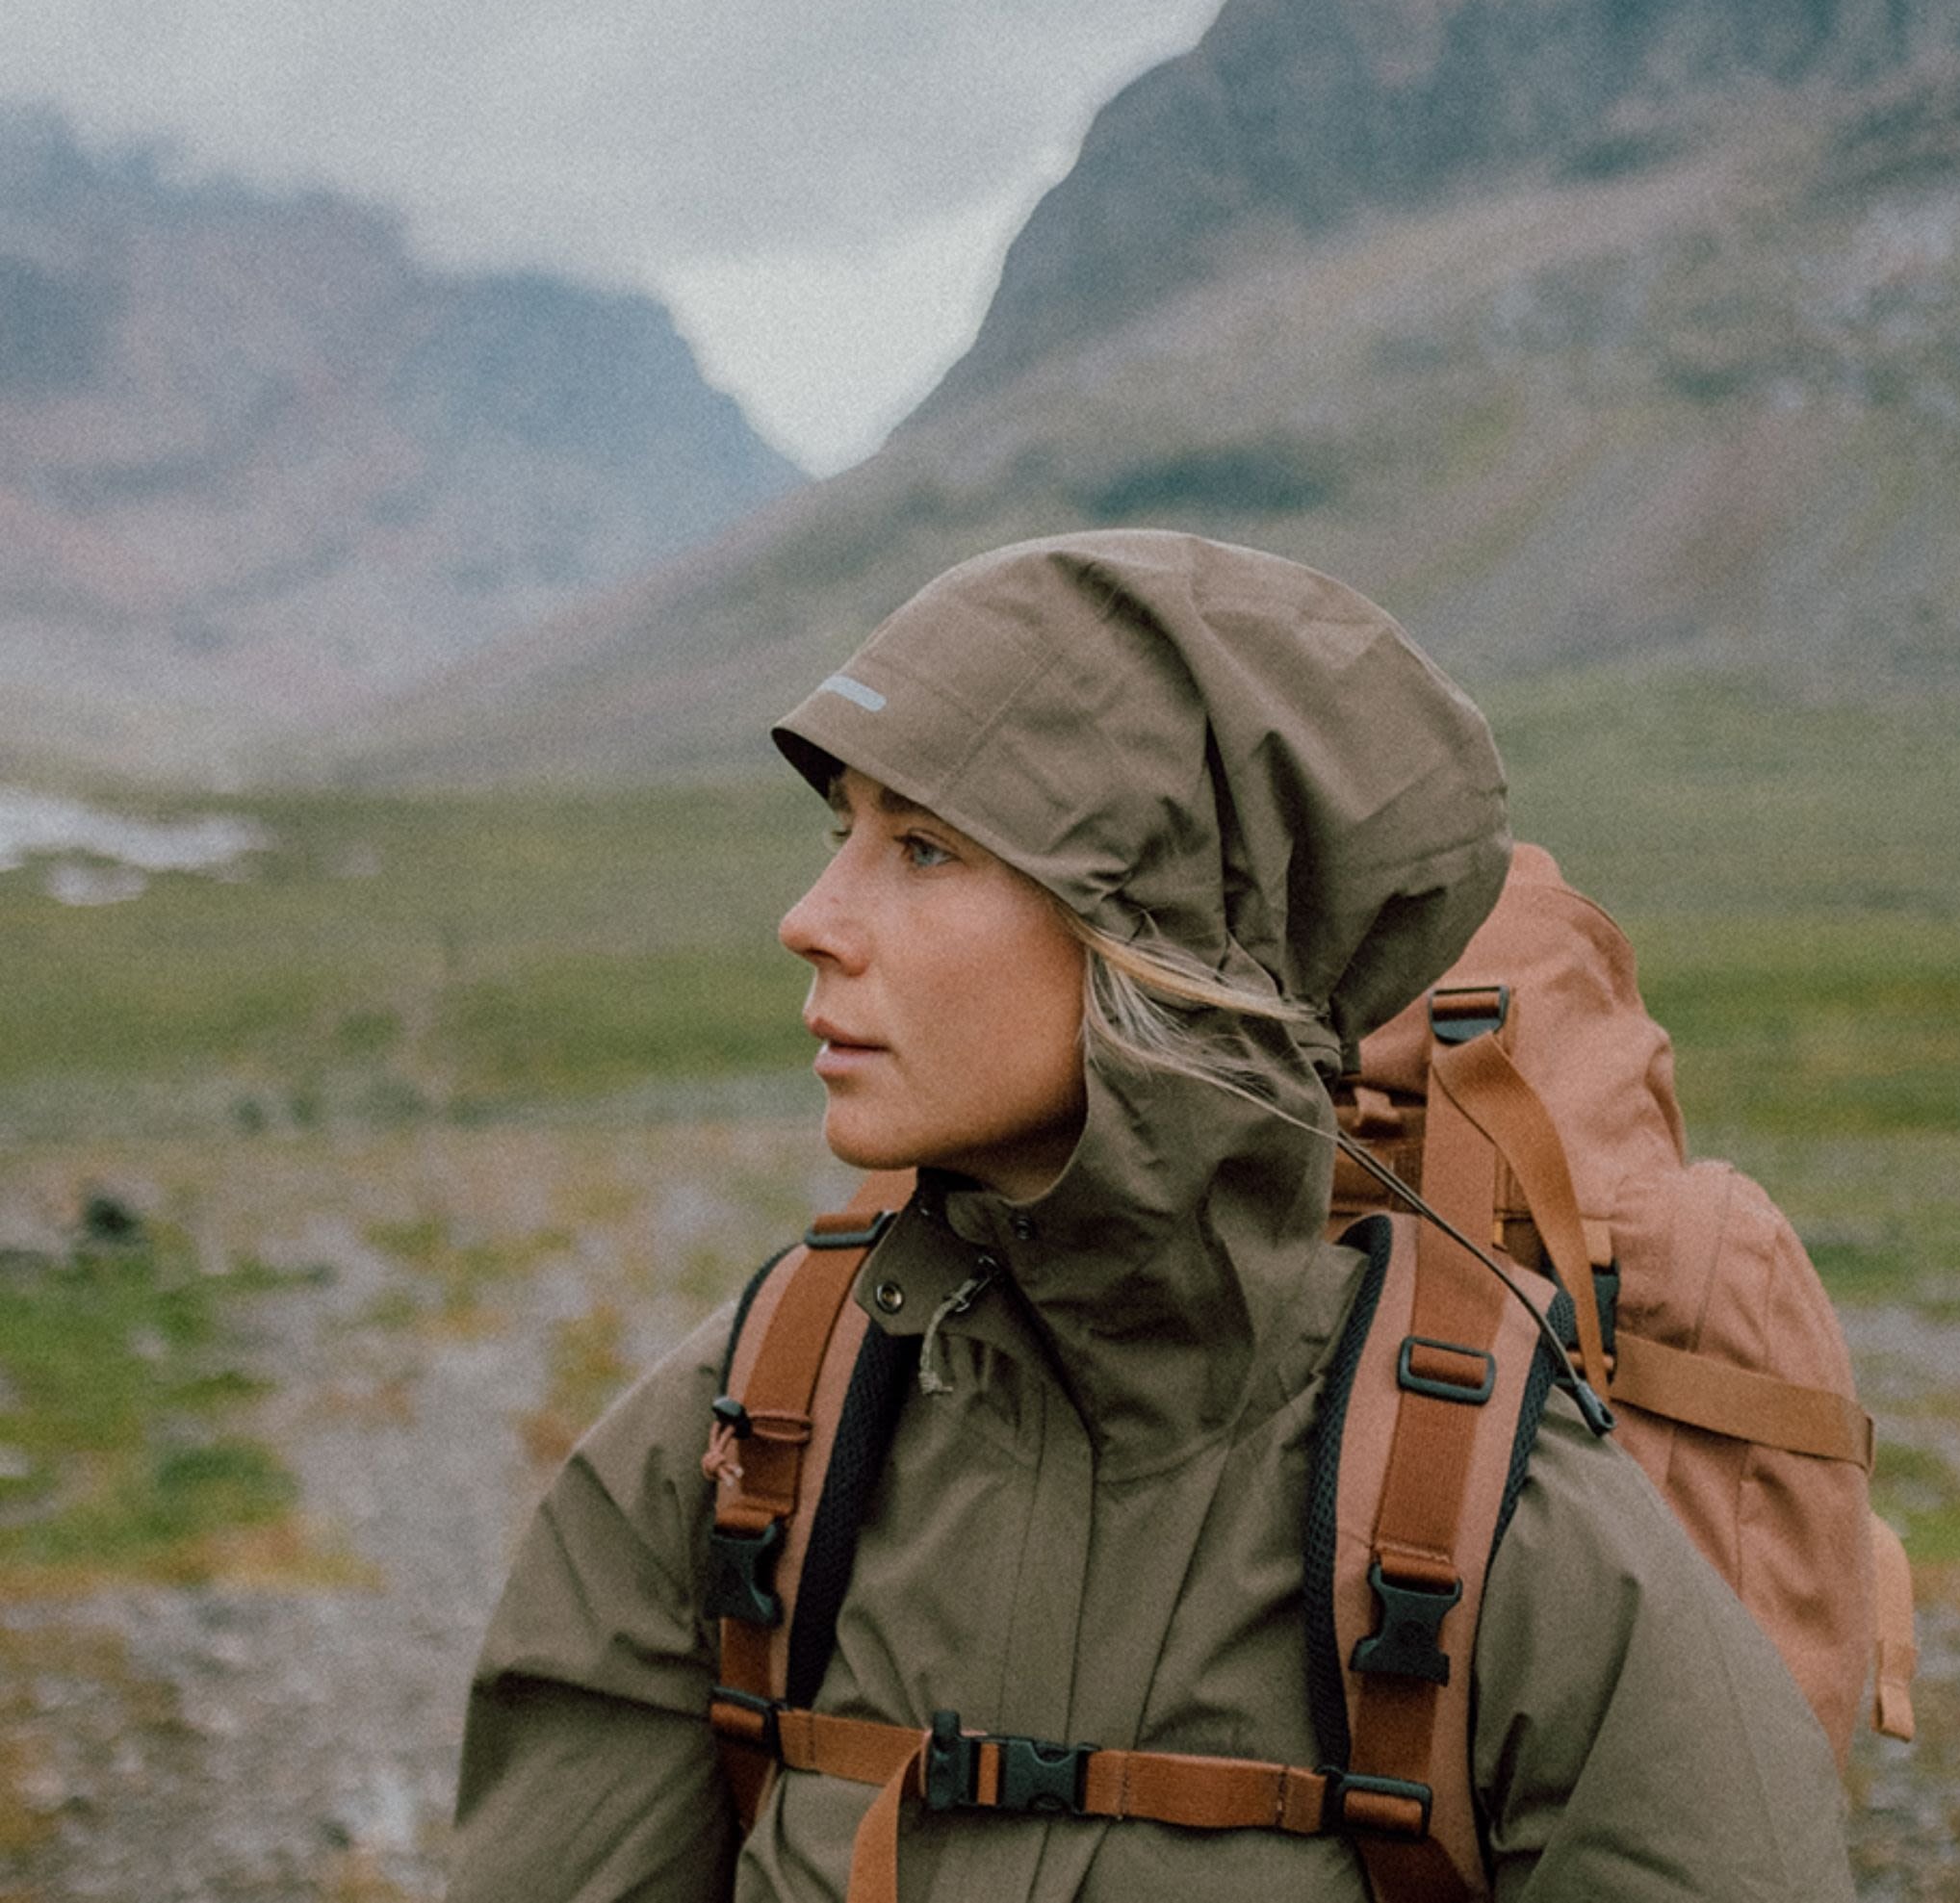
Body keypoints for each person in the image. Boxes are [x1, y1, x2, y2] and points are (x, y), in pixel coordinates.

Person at [446, 529, 1855, 1902]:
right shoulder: (733, 1434)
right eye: (840, 834)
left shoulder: (1507, 1512)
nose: (810, 915)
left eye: (923, 846)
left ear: (1166, 934)